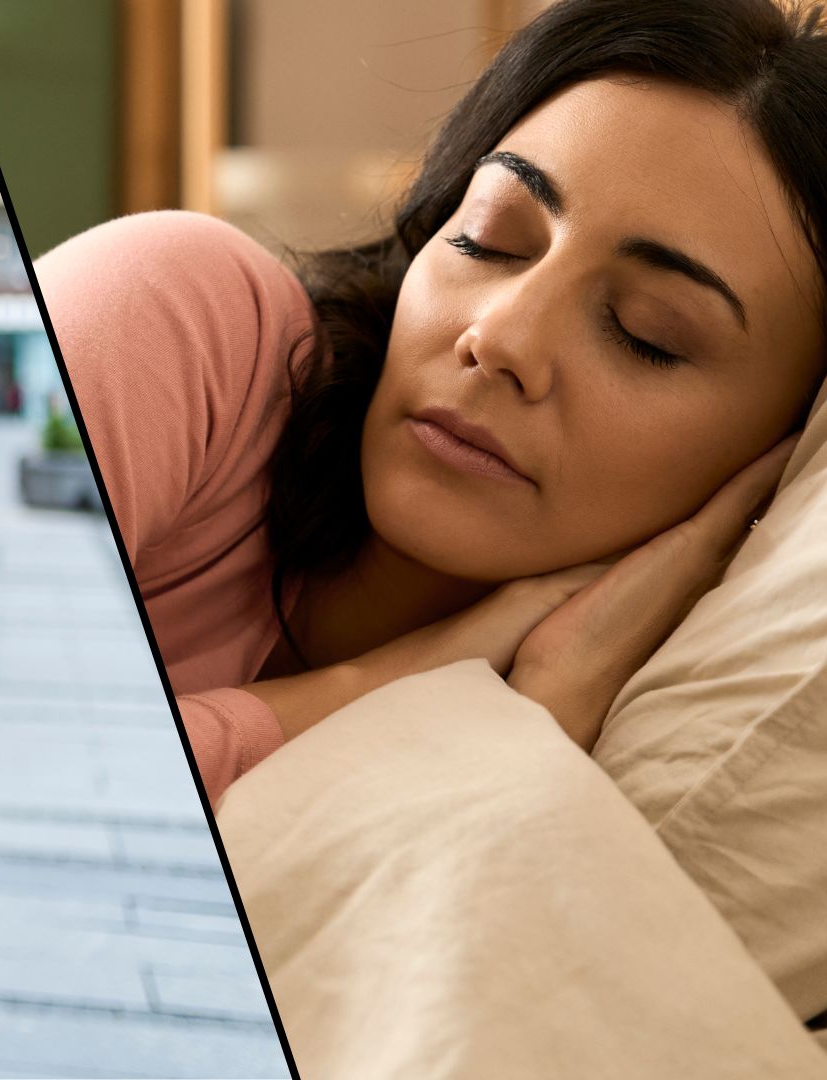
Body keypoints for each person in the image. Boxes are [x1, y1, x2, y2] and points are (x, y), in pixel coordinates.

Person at [40, 0, 827, 805]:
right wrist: (401, 687)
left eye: (646, 334)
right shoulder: (181, 312)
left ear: (786, 448)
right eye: (491, 237)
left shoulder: (656, 742)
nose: (499, 337)